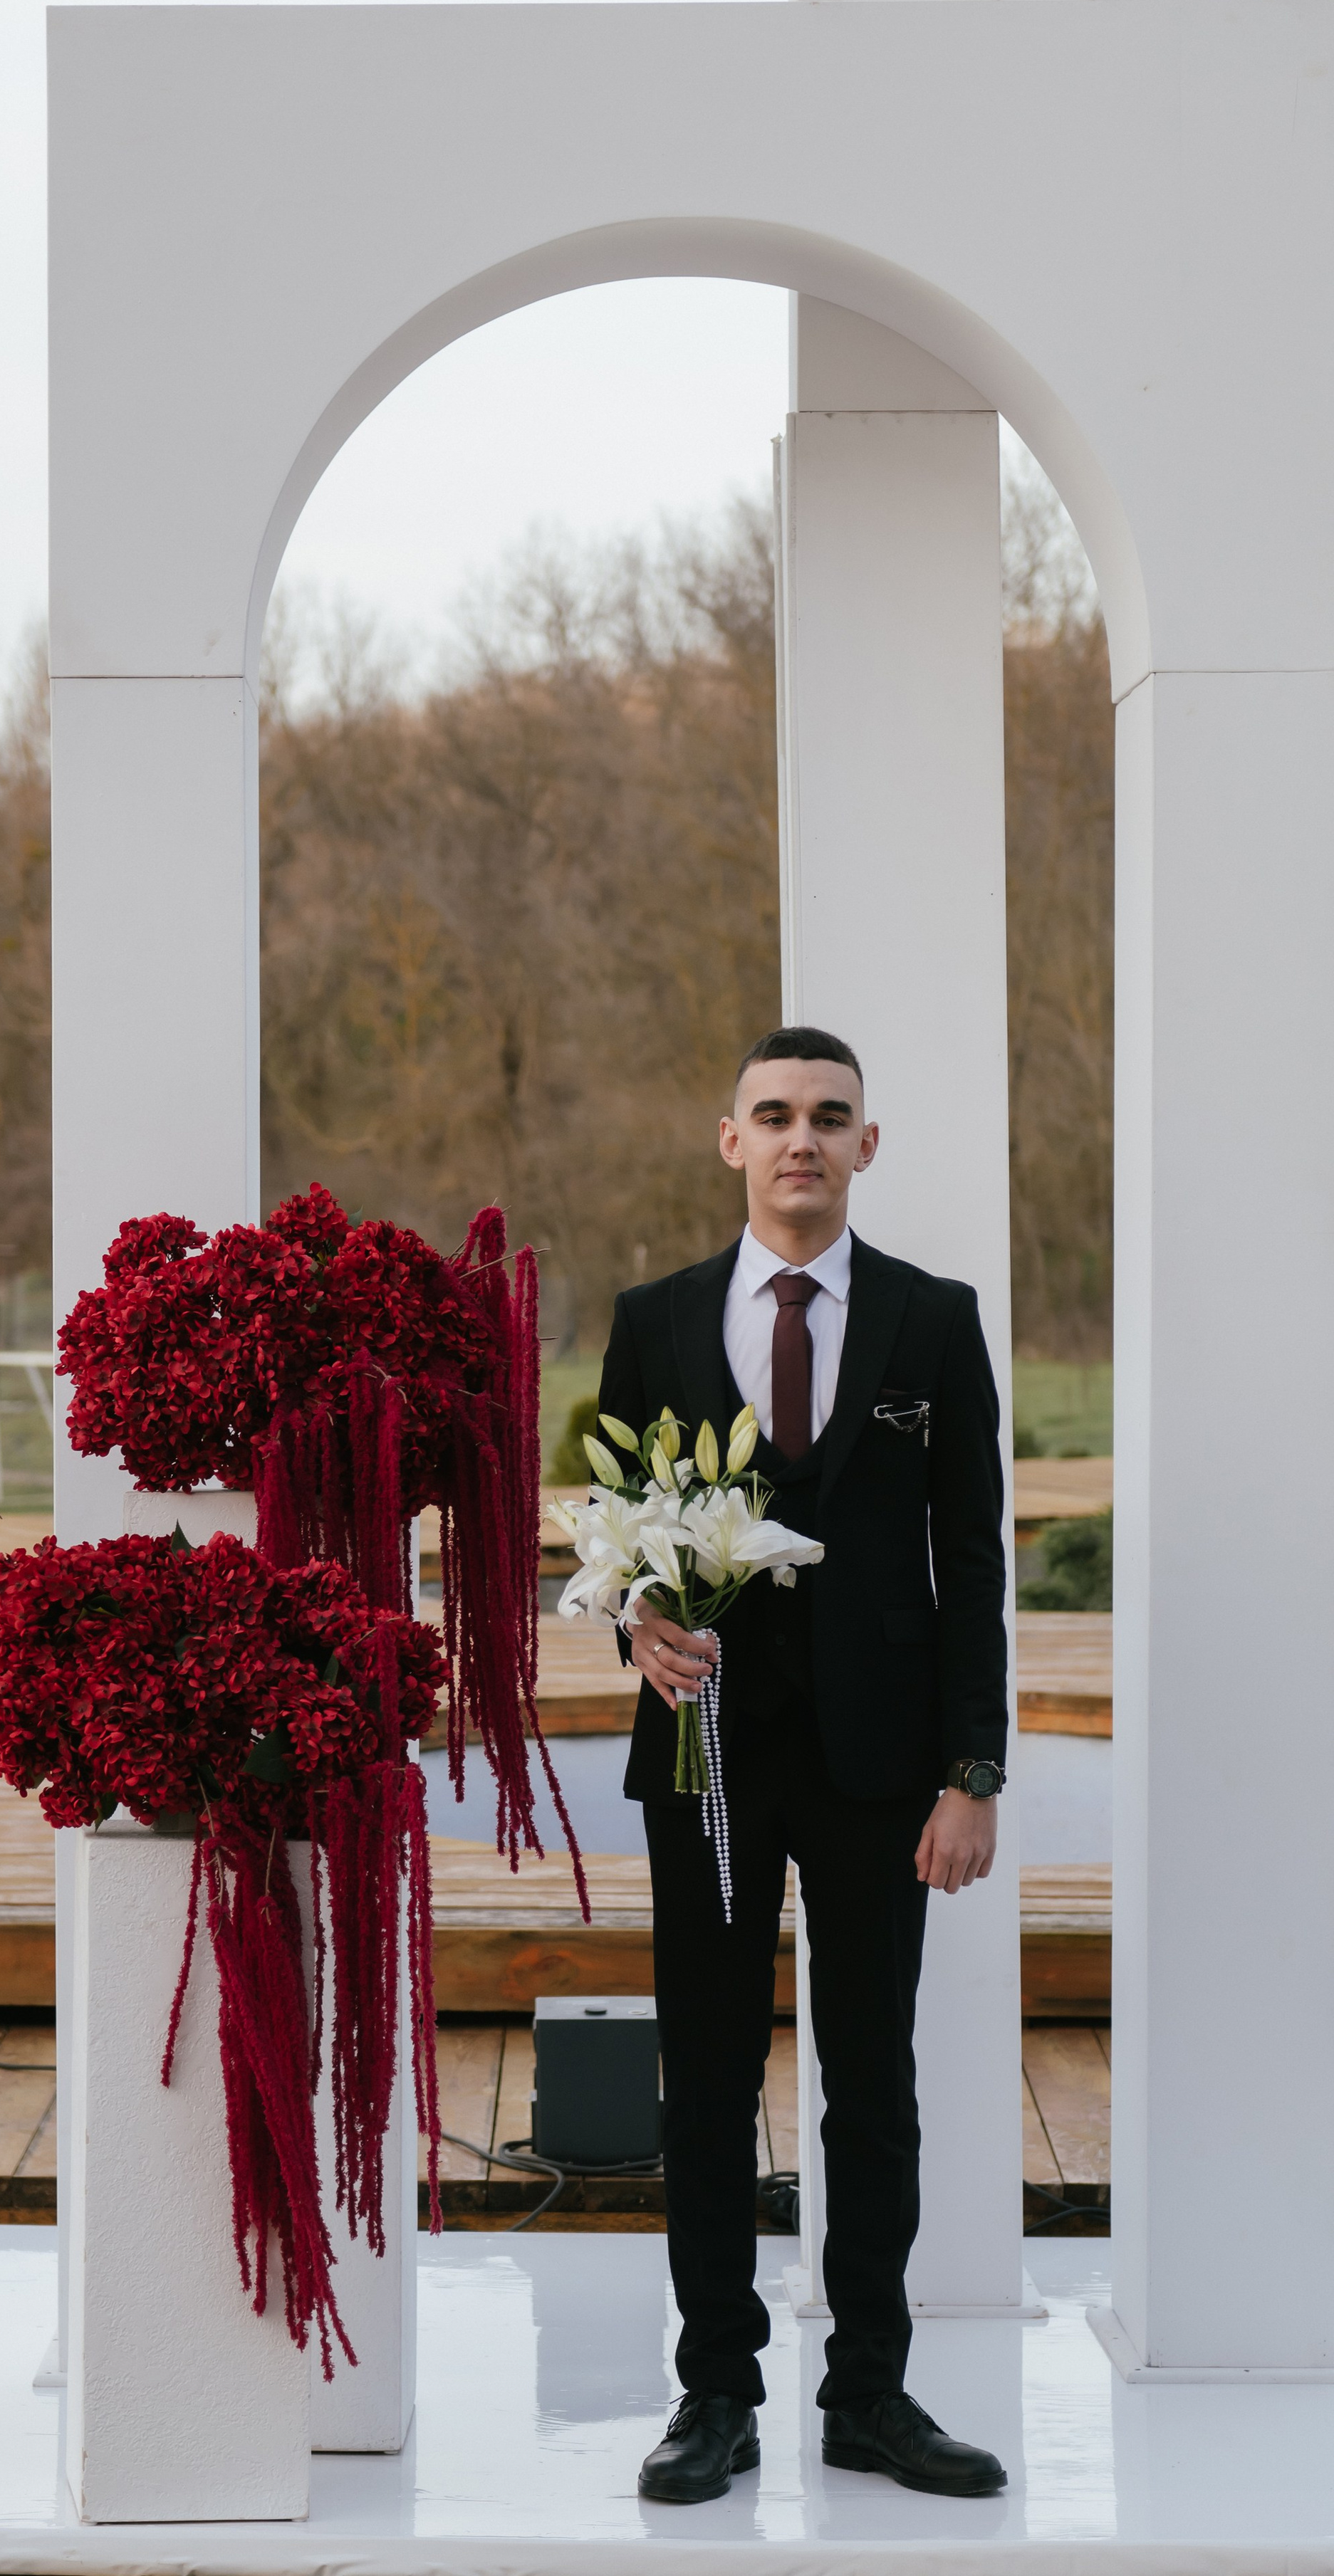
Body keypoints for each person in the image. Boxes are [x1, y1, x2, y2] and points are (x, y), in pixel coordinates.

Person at [601, 1025, 1009, 2504]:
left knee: (870, 2085)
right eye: (771, 1115)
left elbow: (968, 1561)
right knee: (702, 2082)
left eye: (827, 1118)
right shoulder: (650, 1321)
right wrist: (642, 1625)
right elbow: (616, 1544)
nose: (799, 1140)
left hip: (878, 1767)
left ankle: (869, 2394)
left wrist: (972, 1770)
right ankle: (712, 2395)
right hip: (703, 1761)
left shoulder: (929, 1319)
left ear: (864, 1145)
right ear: (729, 1140)